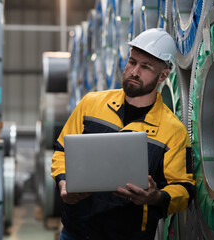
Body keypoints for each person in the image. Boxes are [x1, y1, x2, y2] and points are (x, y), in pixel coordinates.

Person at [51, 28, 195, 240]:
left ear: (163, 75)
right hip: (76, 232)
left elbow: (184, 188)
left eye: (145, 67)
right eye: (132, 61)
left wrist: (157, 197)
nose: (134, 71)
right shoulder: (91, 105)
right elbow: (62, 151)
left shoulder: (173, 132)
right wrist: (63, 184)